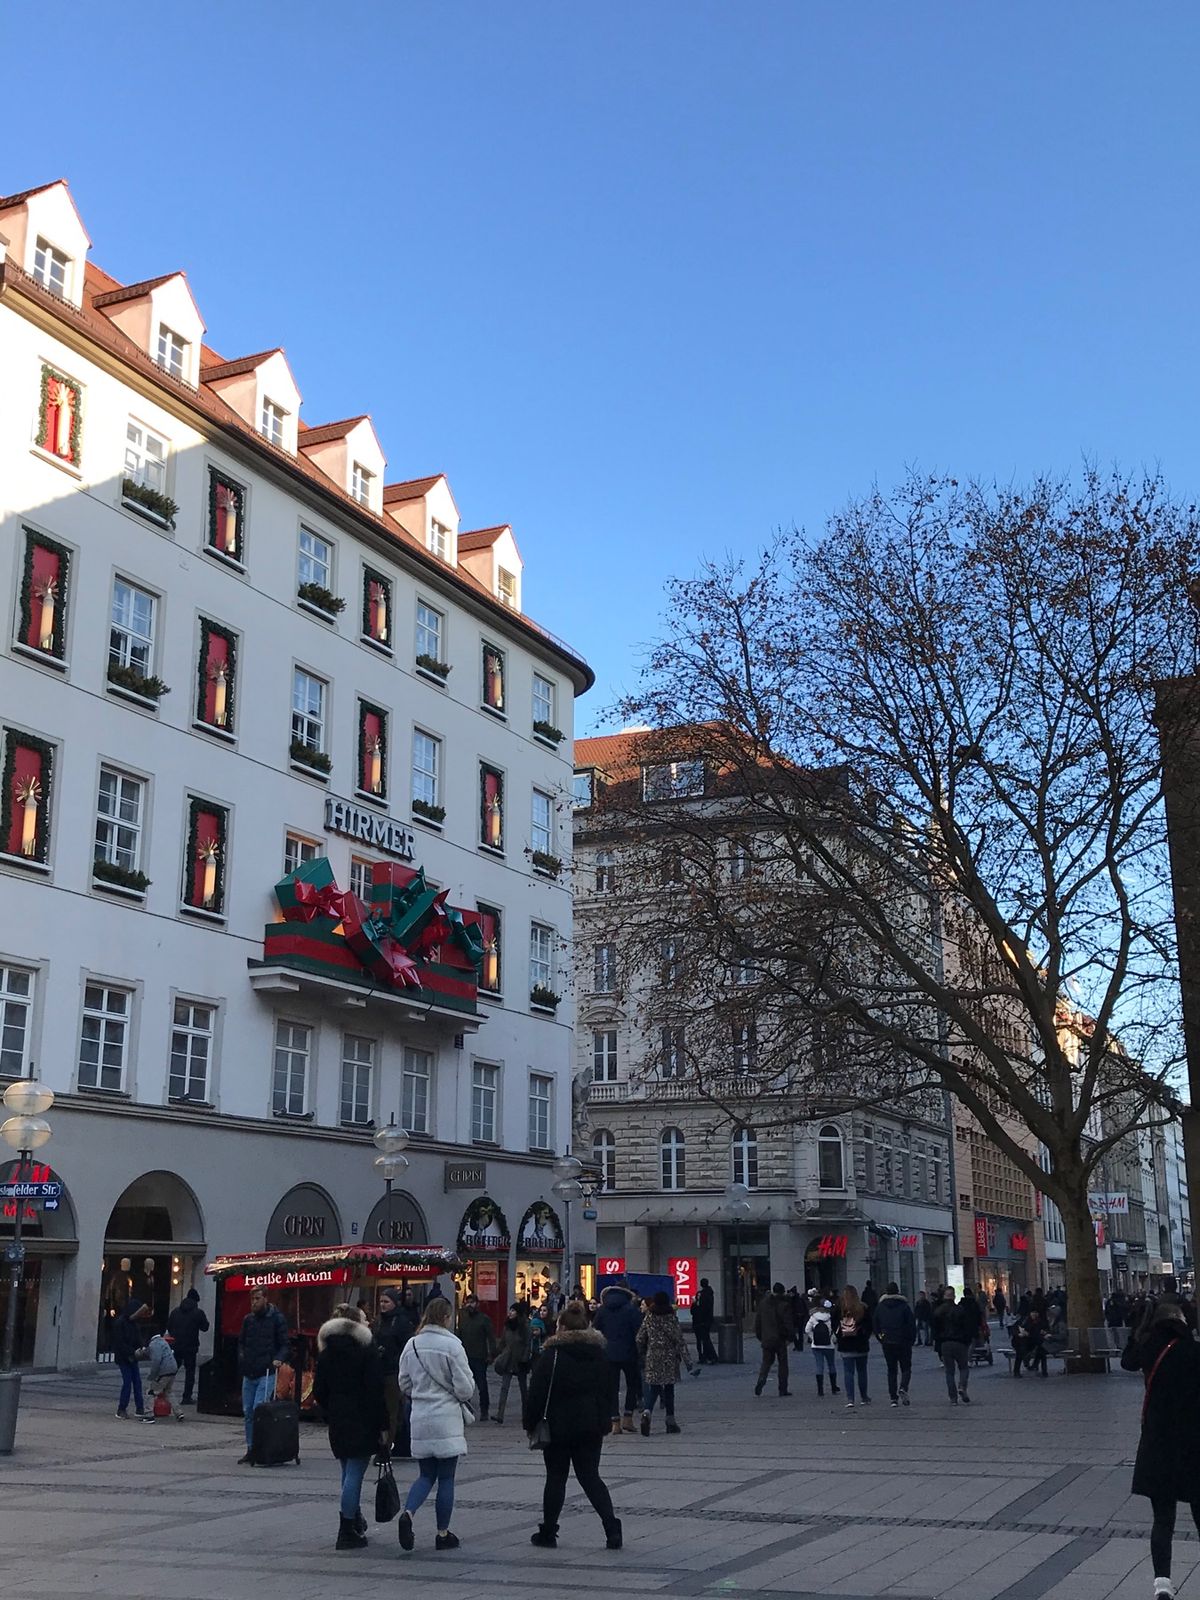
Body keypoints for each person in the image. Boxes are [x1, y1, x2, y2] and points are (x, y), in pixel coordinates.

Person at [525, 1302, 622, 1550]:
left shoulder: (552, 1355)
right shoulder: (599, 1354)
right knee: (590, 1477)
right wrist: (607, 1420)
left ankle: (548, 1532)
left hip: (557, 1427)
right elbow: (609, 1390)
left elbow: (536, 1392)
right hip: (590, 1426)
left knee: (556, 1478)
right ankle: (612, 1528)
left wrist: (529, 1422)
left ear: (563, 1327)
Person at [1121, 1300, 1200, 1598]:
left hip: (1158, 1444)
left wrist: (1137, 1330)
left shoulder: (1149, 1349)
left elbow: (1127, 1361)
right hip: (1193, 1445)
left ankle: (1162, 1584)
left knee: (1162, 1519)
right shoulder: (1193, 1353)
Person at [397, 1295, 475, 1553]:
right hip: (446, 1419)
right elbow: (465, 1389)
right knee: (446, 1478)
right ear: (445, 1317)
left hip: (420, 1416)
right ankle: (442, 1533)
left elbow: (404, 1384)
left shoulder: (412, 1345)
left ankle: (408, 1513)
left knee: (425, 1475)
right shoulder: (452, 1346)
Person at [313, 1303, 388, 1551]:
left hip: (338, 1418)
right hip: (362, 1418)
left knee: (347, 1470)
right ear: (355, 1323)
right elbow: (375, 1391)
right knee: (355, 1472)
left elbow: (319, 1390)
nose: (368, 1323)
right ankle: (346, 1529)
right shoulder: (366, 1351)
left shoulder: (326, 1352)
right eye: (364, 1319)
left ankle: (353, 1518)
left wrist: (330, 1409)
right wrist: (383, 1424)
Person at [237, 1286, 290, 1464]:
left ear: (265, 1298)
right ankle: (251, 1447)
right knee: (248, 1412)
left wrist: (278, 1359)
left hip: (266, 1371)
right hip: (250, 1370)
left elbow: (284, 1344)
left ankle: (260, 1447)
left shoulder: (276, 1319)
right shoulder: (248, 1320)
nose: (254, 1302)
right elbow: (242, 1342)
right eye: (252, 1299)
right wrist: (242, 1358)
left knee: (258, 1409)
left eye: (257, 1298)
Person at [594, 1281, 643, 1434]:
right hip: (629, 1352)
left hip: (608, 1354)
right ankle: (628, 1418)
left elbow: (596, 1329)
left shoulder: (602, 1310)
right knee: (632, 1385)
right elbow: (639, 1332)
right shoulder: (631, 1309)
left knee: (611, 1388)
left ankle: (614, 1421)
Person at [636, 1291, 688, 1434]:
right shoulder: (671, 1318)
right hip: (669, 1357)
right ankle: (670, 1421)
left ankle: (647, 1412)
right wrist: (688, 1361)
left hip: (653, 1355)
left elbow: (639, 1338)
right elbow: (679, 1340)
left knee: (654, 1387)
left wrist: (642, 1353)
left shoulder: (649, 1318)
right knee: (669, 1389)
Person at [375, 1288, 416, 1451]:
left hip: (394, 1372)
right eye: (381, 1302)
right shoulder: (378, 1321)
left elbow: (407, 1347)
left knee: (392, 1410)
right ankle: (383, 1441)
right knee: (381, 1409)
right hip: (379, 1371)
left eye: (386, 1302)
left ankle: (387, 1446)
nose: (383, 1305)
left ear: (394, 1303)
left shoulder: (401, 1321)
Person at [873, 1282, 916, 1407]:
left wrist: (881, 1338)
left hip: (887, 1342)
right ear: (898, 1291)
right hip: (903, 1342)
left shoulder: (880, 1307)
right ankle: (903, 1387)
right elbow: (911, 1325)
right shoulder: (904, 1306)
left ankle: (893, 1398)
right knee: (906, 1368)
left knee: (891, 1370)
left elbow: (876, 1325)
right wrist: (911, 1340)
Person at [456, 1293, 497, 1422]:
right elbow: (459, 1336)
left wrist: (491, 1354)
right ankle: (466, 1410)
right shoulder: (463, 1318)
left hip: (480, 1357)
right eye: (468, 1302)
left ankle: (484, 1410)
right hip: (465, 1357)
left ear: (477, 1304)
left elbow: (491, 1337)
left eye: (472, 1302)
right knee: (465, 1386)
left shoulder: (484, 1319)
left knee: (482, 1386)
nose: (470, 1305)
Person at [165, 1288, 209, 1406]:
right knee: (190, 1372)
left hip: (177, 1345)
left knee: (171, 1369)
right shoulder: (198, 1312)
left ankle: (162, 1389)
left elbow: (169, 1326)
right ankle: (186, 1397)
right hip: (191, 1346)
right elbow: (205, 1327)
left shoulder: (175, 1311)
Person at [494, 1302, 534, 1424]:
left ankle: (526, 1415)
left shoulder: (525, 1327)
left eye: (513, 1311)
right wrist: (495, 1354)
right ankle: (499, 1414)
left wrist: (525, 1358)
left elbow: (528, 1344)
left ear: (518, 1313)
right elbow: (502, 1341)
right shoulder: (507, 1326)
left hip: (521, 1361)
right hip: (508, 1360)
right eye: (510, 1310)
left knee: (523, 1389)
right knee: (504, 1387)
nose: (510, 1313)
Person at [111, 1298, 152, 1419]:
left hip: (132, 1357)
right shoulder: (120, 1323)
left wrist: (142, 1347)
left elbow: (138, 1339)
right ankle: (121, 1408)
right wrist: (134, 1351)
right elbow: (119, 1343)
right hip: (124, 1358)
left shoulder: (133, 1324)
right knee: (128, 1383)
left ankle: (139, 1408)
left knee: (137, 1382)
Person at [754, 1282, 795, 1397]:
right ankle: (783, 1389)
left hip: (767, 1338)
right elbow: (788, 1323)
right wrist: (791, 1337)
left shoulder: (763, 1304)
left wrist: (760, 1336)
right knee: (782, 1364)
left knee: (766, 1362)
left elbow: (758, 1322)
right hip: (780, 1339)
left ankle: (762, 1378)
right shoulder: (784, 1305)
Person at [940, 1288, 980, 1405]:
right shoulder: (960, 1310)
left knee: (949, 1371)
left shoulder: (939, 1311)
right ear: (953, 1297)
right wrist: (967, 1341)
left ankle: (953, 1398)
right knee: (963, 1367)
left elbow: (935, 1329)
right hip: (960, 1342)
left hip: (945, 1343)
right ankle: (962, 1386)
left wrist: (938, 1344)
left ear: (944, 1297)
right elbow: (966, 1327)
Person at [835, 1286, 872, 1410]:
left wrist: (839, 1336)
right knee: (862, 1372)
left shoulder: (840, 1309)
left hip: (846, 1344)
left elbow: (834, 1325)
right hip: (861, 1344)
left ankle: (850, 1399)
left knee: (848, 1372)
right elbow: (869, 1325)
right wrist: (864, 1335)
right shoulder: (863, 1308)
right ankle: (864, 1397)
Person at [143, 1328, 183, 1422]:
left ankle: (148, 1415)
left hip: (164, 1371)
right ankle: (179, 1412)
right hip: (173, 1369)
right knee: (168, 1391)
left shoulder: (154, 1344)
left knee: (151, 1392)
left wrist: (152, 1375)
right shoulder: (163, 1341)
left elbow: (156, 1360)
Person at [805, 1298, 840, 1396]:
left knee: (819, 1366)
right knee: (831, 1365)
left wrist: (813, 1338)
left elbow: (807, 1329)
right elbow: (835, 1330)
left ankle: (820, 1390)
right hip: (829, 1345)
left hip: (816, 1345)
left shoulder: (813, 1317)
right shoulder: (830, 1317)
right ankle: (833, 1387)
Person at [1012, 1309, 1048, 1378]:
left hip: (1032, 1342)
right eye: (1032, 1312)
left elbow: (1038, 1333)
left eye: (1036, 1312)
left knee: (1041, 1350)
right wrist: (1019, 1334)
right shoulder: (1024, 1320)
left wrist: (1028, 1334)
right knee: (1020, 1351)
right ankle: (1017, 1371)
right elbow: (1014, 1329)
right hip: (1020, 1341)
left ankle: (1041, 1369)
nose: (1034, 1314)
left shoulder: (1040, 1321)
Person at [693, 1278, 719, 1363]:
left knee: (704, 1339)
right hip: (707, 1319)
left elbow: (699, 1307)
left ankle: (710, 1356)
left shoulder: (701, 1295)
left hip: (701, 1320)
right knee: (705, 1338)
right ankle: (707, 1356)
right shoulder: (709, 1293)